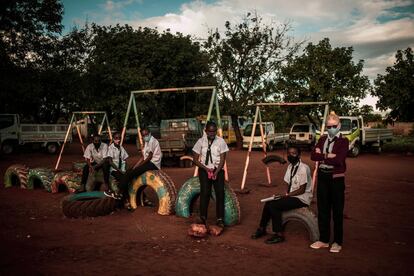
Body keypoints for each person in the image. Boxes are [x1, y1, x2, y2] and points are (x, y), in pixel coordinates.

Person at [251, 145, 313, 244]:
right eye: (289, 153)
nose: (291, 155)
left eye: (294, 153)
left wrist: (287, 196)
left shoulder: (303, 168)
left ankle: (279, 234)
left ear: (299, 155)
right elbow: (288, 183)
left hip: (302, 198)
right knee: (269, 202)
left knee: (275, 205)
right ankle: (261, 228)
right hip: (292, 196)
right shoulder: (290, 167)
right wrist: (284, 195)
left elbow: (302, 190)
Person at [310, 112, 349, 253]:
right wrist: (327, 155)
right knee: (323, 210)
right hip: (323, 178)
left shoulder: (344, 141)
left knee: (337, 211)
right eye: (329, 126)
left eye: (334, 126)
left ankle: (337, 242)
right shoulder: (322, 139)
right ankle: (324, 240)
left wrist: (322, 156)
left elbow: (339, 160)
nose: (331, 128)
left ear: (339, 126)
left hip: (336, 179)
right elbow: (313, 156)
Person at [192, 121, 229, 228]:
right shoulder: (200, 142)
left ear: (216, 130)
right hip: (204, 169)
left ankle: (220, 218)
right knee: (205, 193)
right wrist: (206, 169)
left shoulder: (221, 142)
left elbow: (222, 160)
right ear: (206, 131)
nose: (212, 133)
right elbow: (195, 160)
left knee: (220, 194)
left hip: (218, 169)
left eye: (214, 131)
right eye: (210, 131)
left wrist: (216, 172)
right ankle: (203, 217)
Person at [115, 127, 162, 207]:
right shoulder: (146, 142)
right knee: (130, 171)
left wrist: (140, 165)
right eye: (143, 135)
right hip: (148, 162)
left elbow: (150, 156)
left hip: (153, 164)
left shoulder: (153, 141)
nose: (145, 136)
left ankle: (120, 191)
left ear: (150, 133)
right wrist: (135, 166)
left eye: (146, 134)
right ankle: (125, 192)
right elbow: (143, 157)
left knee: (131, 173)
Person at [104, 132, 129, 198]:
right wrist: (120, 170)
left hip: (122, 169)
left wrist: (126, 170)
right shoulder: (111, 148)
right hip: (115, 170)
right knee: (123, 179)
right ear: (113, 139)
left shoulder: (121, 148)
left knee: (131, 177)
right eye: (116, 138)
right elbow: (110, 162)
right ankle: (122, 195)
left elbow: (125, 160)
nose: (118, 140)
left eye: (119, 138)